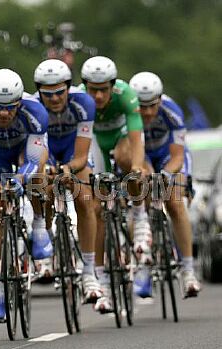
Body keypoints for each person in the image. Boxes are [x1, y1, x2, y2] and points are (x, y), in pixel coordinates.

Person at [0, 69, 50, 320]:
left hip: (23, 152)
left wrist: (21, 178)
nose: (4, 113)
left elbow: (33, 158)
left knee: (38, 177)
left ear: (19, 103)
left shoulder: (36, 111)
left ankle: (39, 226)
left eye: (10, 108)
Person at [79, 56, 149, 313]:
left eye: (103, 90)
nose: (97, 96)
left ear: (112, 86)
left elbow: (136, 133)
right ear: (85, 85)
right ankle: (103, 284)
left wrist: (138, 167)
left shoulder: (125, 94)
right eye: (92, 89)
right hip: (94, 141)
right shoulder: (79, 97)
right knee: (97, 210)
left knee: (127, 160)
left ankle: (139, 215)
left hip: (120, 138)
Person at [33, 59, 102, 302]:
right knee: (44, 188)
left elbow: (82, 155)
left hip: (75, 152)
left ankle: (89, 272)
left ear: (69, 88)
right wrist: (50, 169)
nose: (54, 99)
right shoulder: (34, 107)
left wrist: (68, 168)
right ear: (39, 92)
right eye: (47, 94)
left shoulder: (84, 103)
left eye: (59, 92)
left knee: (85, 200)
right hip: (48, 150)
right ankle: (47, 242)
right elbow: (37, 150)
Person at [129, 71, 201, 298]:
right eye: (143, 107)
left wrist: (166, 175)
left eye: (152, 105)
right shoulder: (128, 113)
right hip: (144, 157)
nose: (148, 112)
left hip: (170, 157)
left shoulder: (172, 112)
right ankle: (142, 262)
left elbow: (178, 157)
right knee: (138, 201)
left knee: (175, 202)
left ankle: (188, 271)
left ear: (160, 100)